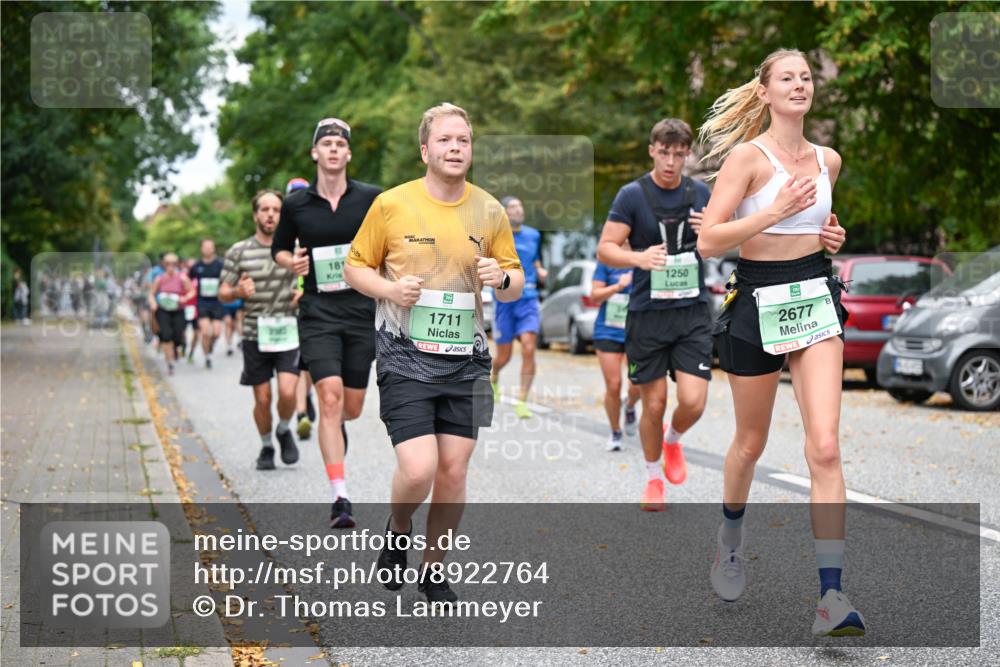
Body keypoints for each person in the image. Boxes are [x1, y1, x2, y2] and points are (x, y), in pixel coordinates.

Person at [696, 48, 856, 636]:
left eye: (806, 77)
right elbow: (711, 240)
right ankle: (730, 539)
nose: (799, 84)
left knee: (826, 448)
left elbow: (817, 229)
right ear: (764, 92)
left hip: (814, 295)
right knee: (749, 442)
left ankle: (831, 597)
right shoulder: (748, 157)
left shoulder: (827, 159)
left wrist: (830, 236)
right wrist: (775, 211)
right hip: (757, 298)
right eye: (786, 77)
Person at [345, 102, 523, 605]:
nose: (455, 148)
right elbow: (353, 268)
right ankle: (398, 526)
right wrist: (388, 289)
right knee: (420, 469)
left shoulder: (489, 210)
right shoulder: (391, 205)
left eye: (463, 140)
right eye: (445, 140)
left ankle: (433, 569)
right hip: (404, 355)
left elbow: (514, 281)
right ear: (425, 149)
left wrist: (502, 278)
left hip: (467, 359)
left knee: (454, 471)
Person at [596, 118, 714, 512]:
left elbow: (723, 245)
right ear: (652, 150)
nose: (671, 161)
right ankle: (652, 480)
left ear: (687, 155)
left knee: (694, 401)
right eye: (664, 152)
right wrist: (638, 258)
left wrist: (712, 231)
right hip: (648, 313)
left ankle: (673, 441)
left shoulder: (701, 193)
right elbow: (606, 248)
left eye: (679, 154)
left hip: (692, 311)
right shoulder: (632, 195)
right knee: (655, 404)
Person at [272, 118, 382, 528]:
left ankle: (335, 427)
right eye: (327, 144)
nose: (334, 149)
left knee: (350, 408)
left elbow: (391, 244)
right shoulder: (296, 205)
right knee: (330, 398)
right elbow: (280, 250)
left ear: (348, 154)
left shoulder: (373, 199)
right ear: (315, 153)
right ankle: (341, 498)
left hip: (361, 312)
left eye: (340, 144)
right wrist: (291, 261)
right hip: (318, 310)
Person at [220, 189, 302, 471]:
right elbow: (222, 293)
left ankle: (282, 428)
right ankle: (267, 445)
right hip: (255, 333)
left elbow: (311, 281)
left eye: (276, 210)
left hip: (289, 330)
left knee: (289, 393)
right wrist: (237, 291)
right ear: (255, 214)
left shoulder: (295, 249)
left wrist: (303, 293)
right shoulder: (238, 251)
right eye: (265, 209)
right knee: (263, 397)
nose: (270, 215)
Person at [489, 196, 546, 419]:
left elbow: (535, 260)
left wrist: (540, 270)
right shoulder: (497, 235)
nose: (517, 210)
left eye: (520, 206)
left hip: (529, 297)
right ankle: (494, 378)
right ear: (504, 212)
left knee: (530, 347)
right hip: (505, 300)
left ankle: (522, 401)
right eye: (512, 207)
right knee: (504, 357)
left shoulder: (534, 235)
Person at [589, 262, 640, 451]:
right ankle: (615, 431)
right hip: (607, 332)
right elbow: (594, 296)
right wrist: (618, 286)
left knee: (638, 382)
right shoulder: (607, 262)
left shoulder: (644, 257)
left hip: (636, 332)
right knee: (613, 384)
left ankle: (630, 406)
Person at [286, 177, 317, 441]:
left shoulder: (315, 231)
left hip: (314, 310)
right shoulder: (284, 237)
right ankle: (301, 413)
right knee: (298, 365)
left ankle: (305, 399)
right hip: (289, 313)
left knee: (307, 366)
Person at [148, 253, 195, 376]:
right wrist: (153, 303)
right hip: (163, 310)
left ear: (177, 265)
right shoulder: (160, 278)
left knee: (177, 335)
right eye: (168, 264)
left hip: (178, 310)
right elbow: (151, 294)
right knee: (166, 336)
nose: (170, 267)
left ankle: (176, 348)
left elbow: (192, 291)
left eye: (173, 264)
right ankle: (170, 364)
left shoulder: (182, 278)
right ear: (164, 265)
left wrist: (185, 298)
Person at [190, 239, 226, 368]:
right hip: (202, 302)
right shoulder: (196, 266)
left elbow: (227, 280)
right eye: (205, 247)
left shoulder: (220, 264)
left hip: (217, 302)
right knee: (205, 332)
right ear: (201, 249)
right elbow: (188, 281)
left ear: (214, 248)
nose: (208, 249)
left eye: (210, 247)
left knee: (216, 333)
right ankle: (207, 357)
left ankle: (209, 347)